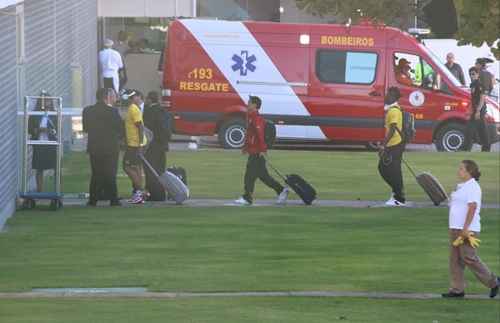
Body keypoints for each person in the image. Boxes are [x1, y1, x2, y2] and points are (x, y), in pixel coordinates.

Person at [442, 160, 499, 299]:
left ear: (470, 172)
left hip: (467, 229)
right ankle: (457, 290)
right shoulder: (461, 187)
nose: (459, 171)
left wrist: (465, 228)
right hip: (455, 228)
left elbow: (472, 207)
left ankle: (494, 282)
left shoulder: (473, 187)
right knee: (455, 260)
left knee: (469, 258)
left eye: (461, 169)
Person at [234, 96, 289, 206]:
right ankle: (281, 190)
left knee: (249, 176)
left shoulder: (256, 118)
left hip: (257, 152)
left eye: (249, 102)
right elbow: (250, 134)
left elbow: (260, 135)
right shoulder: (250, 116)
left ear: (255, 105)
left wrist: (263, 150)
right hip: (254, 151)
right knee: (264, 176)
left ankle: (247, 198)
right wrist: (245, 148)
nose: (247, 104)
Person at [82, 88, 124, 207]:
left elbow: (85, 128)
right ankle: (113, 199)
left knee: (96, 173)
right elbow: (120, 128)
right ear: (107, 97)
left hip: (94, 146)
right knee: (110, 173)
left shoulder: (88, 111)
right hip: (110, 146)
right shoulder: (113, 111)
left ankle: (93, 199)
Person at [378, 87, 406, 207]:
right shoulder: (392, 110)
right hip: (394, 144)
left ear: (393, 97)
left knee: (386, 169)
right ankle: (397, 194)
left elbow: (393, 128)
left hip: (395, 144)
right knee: (390, 169)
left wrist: (383, 146)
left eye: (388, 95)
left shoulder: (393, 111)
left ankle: (398, 197)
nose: (385, 96)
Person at [143, 91, 171, 201]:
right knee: (160, 170)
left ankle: (153, 194)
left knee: (150, 170)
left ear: (149, 99)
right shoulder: (164, 111)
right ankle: (161, 194)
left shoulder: (148, 112)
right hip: (162, 145)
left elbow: (146, 129)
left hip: (152, 145)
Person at [28, 91, 57, 193]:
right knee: (39, 168)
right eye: (44, 101)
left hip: (51, 145)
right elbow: (29, 129)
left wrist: (49, 131)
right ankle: (40, 191)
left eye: (48, 100)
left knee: (56, 168)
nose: (46, 102)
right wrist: (38, 130)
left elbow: (58, 129)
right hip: (39, 144)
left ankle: (56, 190)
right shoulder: (34, 114)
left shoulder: (55, 114)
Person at [123, 89, 147, 204]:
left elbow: (140, 127)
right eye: (131, 97)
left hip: (135, 144)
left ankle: (140, 192)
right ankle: (139, 193)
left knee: (127, 167)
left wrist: (140, 145)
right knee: (137, 168)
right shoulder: (133, 108)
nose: (133, 99)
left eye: (134, 97)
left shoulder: (133, 109)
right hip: (134, 143)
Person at [464, 67, 491, 152]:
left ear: (478, 74)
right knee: (475, 130)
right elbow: (473, 99)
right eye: (470, 74)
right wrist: (470, 110)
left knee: (476, 130)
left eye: (473, 74)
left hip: (479, 110)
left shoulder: (479, 84)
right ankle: (467, 149)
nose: (472, 76)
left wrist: (478, 111)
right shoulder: (472, 84)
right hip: (475, 110)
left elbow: (482, 98)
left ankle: (485, 148)